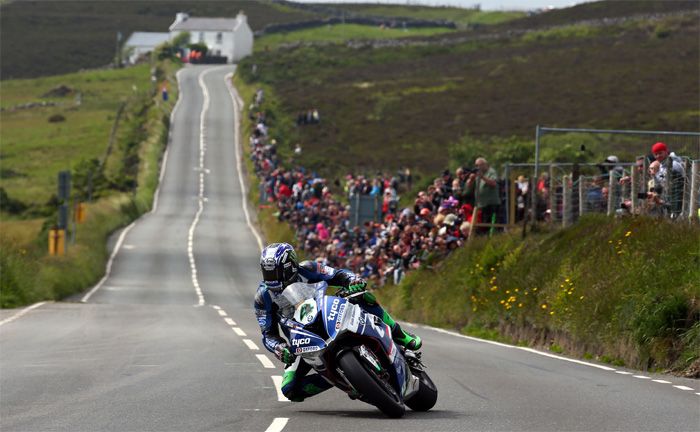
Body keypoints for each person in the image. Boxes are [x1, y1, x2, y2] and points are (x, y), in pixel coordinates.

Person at [254, 242, 422, 402]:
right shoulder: (263, 296)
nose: (271, 279)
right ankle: (345, 380)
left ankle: (400, 335)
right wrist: (279, 347)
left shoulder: (308, 268)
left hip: (329, 315)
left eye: (275, 273)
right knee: (289, 389)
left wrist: (353, 281)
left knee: (361, 296)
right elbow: (268, 333)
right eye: (267, 273)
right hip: (303, 339)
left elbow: (338, 274)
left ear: (290, 266)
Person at [466, 157, 500, 234]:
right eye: (476, 165)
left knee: (492, 224)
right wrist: (471, 179)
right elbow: (468, 186)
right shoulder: (478, 173)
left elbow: (493, 184)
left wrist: (482, 177)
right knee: (482, 225)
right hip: (481, 204)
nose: (478, 167)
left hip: (491, 203)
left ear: (485, 164)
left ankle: (493, 237)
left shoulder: (491, 172)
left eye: (479, 165)